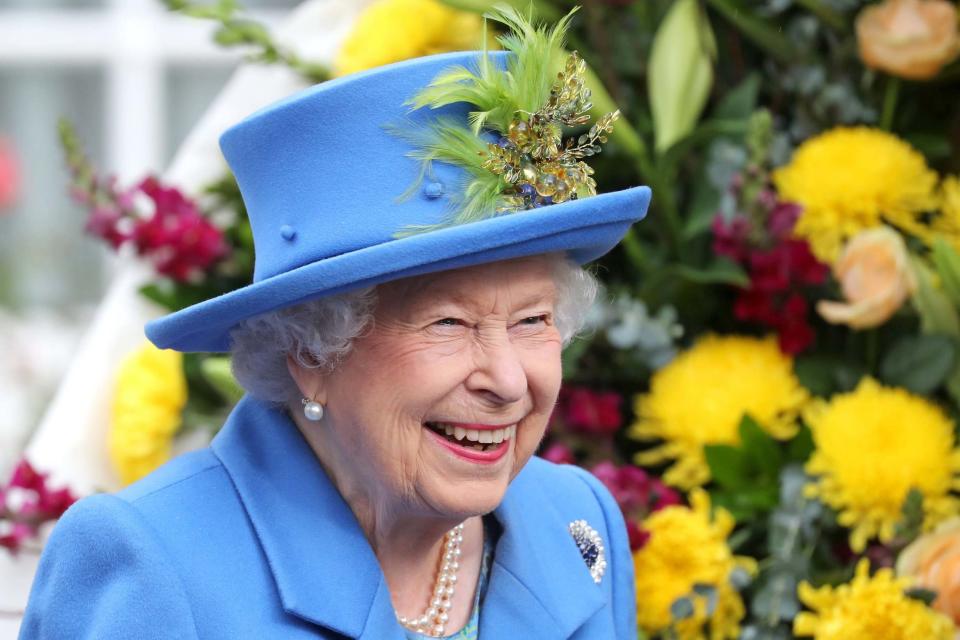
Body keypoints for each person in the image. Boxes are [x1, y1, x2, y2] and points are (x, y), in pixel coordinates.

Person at [20, 8, 650, 639]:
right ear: (312, 356)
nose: (510, 381)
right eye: (449, 323)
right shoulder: (151, 562)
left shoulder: (576, 522)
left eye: (532, 319)